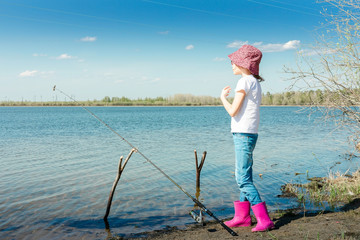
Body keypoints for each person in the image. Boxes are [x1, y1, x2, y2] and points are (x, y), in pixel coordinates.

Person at [220, 45, 275, 232]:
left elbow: (233, 111)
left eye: (234, 62)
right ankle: (242, 217)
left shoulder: (244, 82)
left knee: (242, 178)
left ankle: (264, 220)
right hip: (249, 133)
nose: (231, 65)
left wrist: (222, 99)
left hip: (243, 134)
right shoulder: (254, 82)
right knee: (245, 175)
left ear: (243, 63)